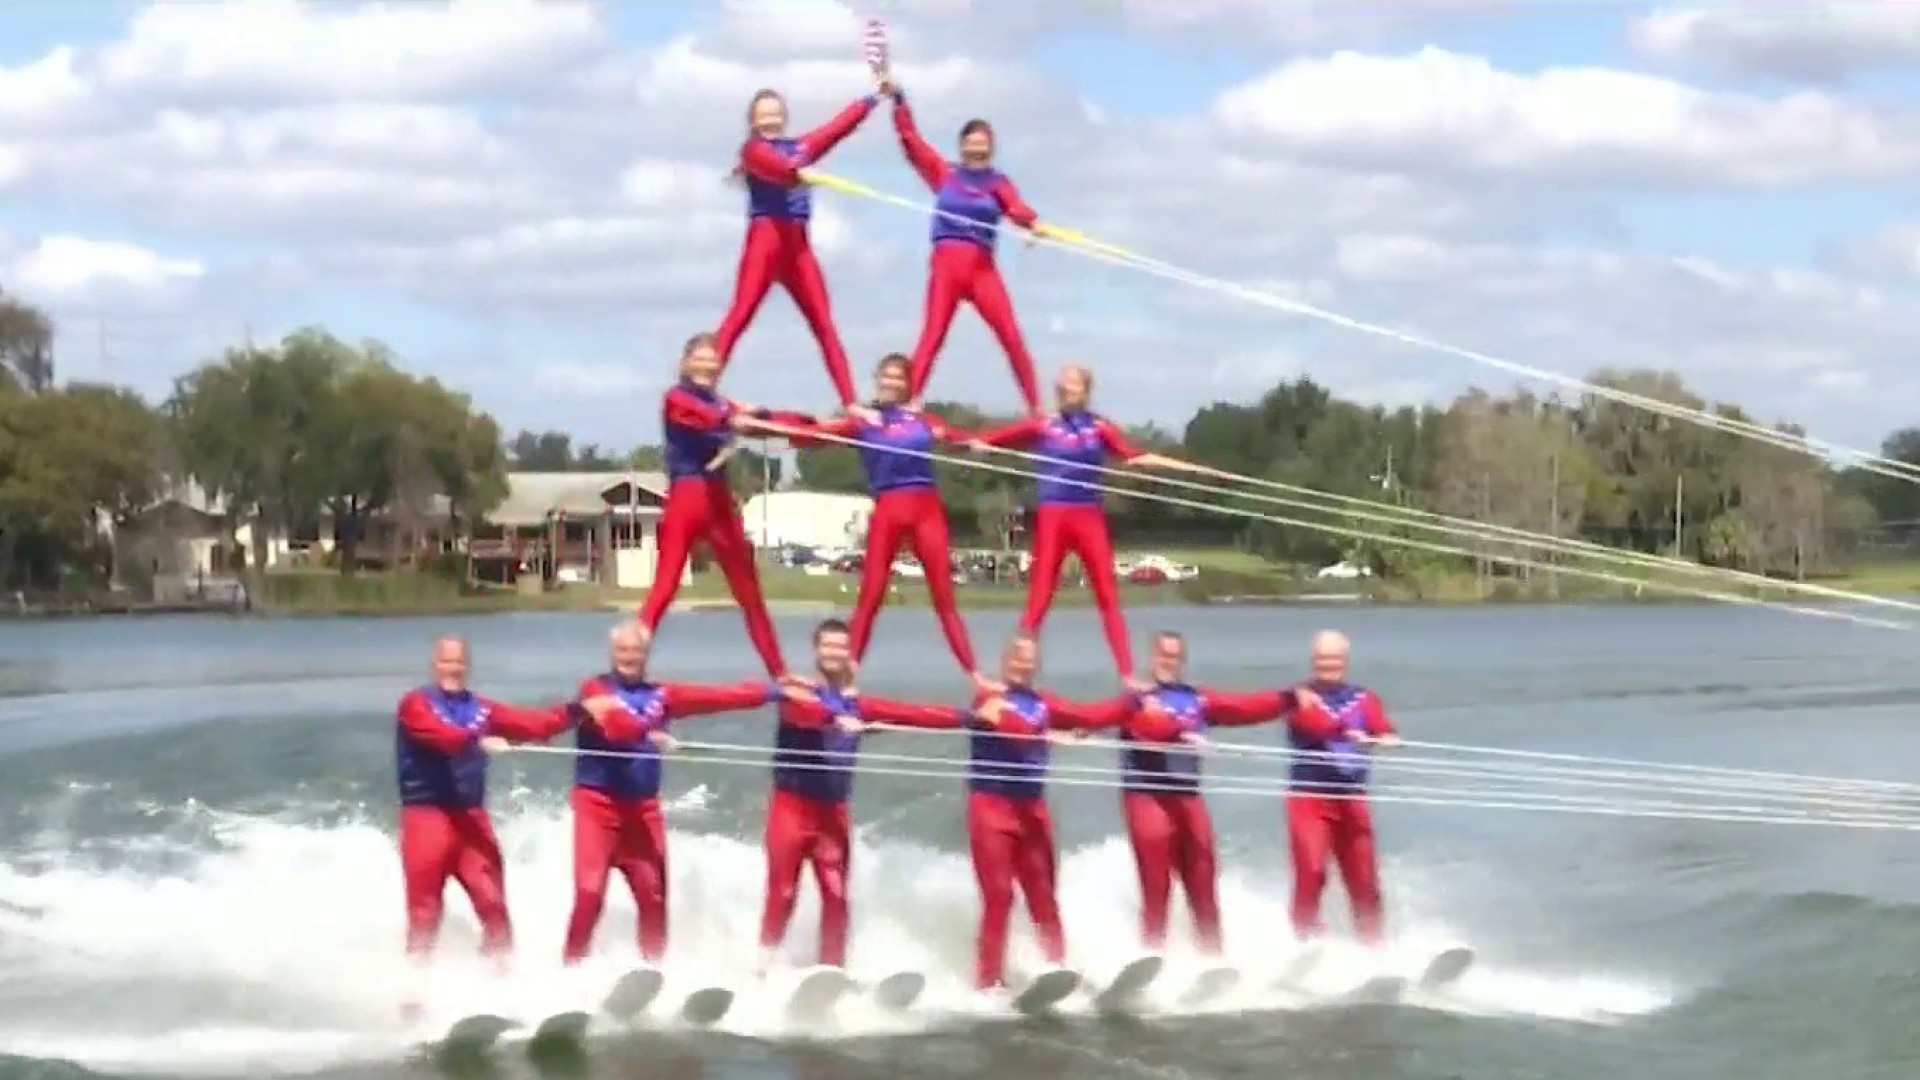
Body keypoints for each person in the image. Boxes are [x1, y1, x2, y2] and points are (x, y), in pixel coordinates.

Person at [558, 619, 788, 966]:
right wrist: (646, 733)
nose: (628, 657)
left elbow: (721, 697)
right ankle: (572, 968)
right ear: (611, 653)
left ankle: (654, 969)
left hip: (642, 811)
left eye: (635, 650)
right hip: (597, 807)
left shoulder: (662, 696)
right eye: (622, 650)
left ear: (646, 654)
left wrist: (776, 691)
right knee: (590, 895)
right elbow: (616, 726)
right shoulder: (595, 691)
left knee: (653, 896)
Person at [758, 618, 978, 972]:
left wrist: (969, 717)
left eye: (841, 648)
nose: (834, 653)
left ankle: (832, 971)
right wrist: (836, 716)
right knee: (783, 893)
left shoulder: (858, 707)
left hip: (833, 813)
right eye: (828, 646)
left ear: (849, 656)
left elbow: (912, 715)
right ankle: (763, 967)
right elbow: (805, 715)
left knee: (837, 896)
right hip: (791, 810)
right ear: (817, 651)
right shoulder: (797, 693)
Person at [393, 635, 623, 965]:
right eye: (446, 661)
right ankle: (414, 995)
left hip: (470, 819)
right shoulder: (415, 704)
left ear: (466, 666)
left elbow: (531, 723)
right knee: (425, 913)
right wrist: (477, 740)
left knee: (494, 907)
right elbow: (440, 737)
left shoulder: (481, 708)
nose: (452, 668)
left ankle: (499, 983)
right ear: (434, 665)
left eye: (458, 662)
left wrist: (580, 711)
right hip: (426, 819)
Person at [971, 365, 1202, 686]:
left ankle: (1126, 675)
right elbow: (992, 441)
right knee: (1038, 599)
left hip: (1088, 517)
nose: (1066, 389)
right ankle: (1014, 676)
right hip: (1053, 516)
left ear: (1086, 390)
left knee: (1108, 595)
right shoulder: (1043, 425)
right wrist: (972, 444)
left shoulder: (1099, 429)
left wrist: (1171, 465)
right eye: (1062, 384)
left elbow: (1130, 456)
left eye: (1073, 384)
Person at [775, 353, 988, 688]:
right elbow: (818, 434)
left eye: (897, 378)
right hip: (888, 509)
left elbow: (953, 437)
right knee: (871, 594)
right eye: (885, 376)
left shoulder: (923, 420)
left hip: (926, 510)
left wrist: (974, 444)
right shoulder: (865, 422)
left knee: (944, 597)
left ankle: (975, 675)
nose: (890, 382)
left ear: (908, 385)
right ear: (877, 379)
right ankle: (848, 676)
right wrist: (778, 427)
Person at [954, 633, 1140, 992]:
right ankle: (988, 981)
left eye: (1029, 659)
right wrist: (1049, 734)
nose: (1023, 664)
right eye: (1017, 657)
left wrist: (1133, 702)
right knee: (1000, 897)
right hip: (991, 810)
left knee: (1043, 894)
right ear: (1005, 661)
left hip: (1032, 810)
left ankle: (1057, 968)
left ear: (1036, 665)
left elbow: (1090, 715)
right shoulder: (988, 699)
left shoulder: (1044, 704)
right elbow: (1015, 730)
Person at [1117, 630, 1309, 955]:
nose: (1169, 661)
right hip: (1147, 798)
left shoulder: (1198, 699)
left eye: (1175, 656)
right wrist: (1182, 734)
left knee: (1203, 882)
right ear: (1153, 658)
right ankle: (1151, 956)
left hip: (1188, 799)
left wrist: (1287, 698)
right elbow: (1145, 727)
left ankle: (1213, 956)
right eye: (1164, 655)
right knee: (1156, 885)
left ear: (1183, 661)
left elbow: (1244, 707)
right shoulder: (1137, 698)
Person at [638, 331, 811, 679]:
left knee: (749, 590)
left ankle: (780, 673)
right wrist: (733, 420)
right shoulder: (677, 398)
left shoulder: (725, 404)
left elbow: (764, 420)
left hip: (718, 499)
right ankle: (627, 664)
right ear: (685, 364)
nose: (707, 365)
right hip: (687, 497)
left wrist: (810, 425)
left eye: (714, 361)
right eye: (700, 359)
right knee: (666, 585)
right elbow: (700, 416)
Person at [885, 84, 1046, 415]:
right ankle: (909, 402)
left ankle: (1036, 407)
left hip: (982, 268)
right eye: (972, 141)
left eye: (983, 142)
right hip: (946, 265)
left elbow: (1015, 208)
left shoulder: (998, 183)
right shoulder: (946, 174)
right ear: (961, 146)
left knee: (1011, 336)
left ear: (991, 147)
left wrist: (1031, 224)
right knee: (932, 336)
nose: (977, 147)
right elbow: (912, 142)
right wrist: (899, 101)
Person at [720, 85, 881, 407]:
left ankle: (851, 403)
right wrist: (797, 172)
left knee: (824, 323)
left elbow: (836, 129)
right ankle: (703, 385)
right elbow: (774, 168)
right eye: (764, 115)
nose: (771, 120)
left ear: (785, 117)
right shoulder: (751, 151)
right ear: (753, 120)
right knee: (740, 315)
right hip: (765, 242)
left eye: (776, 114)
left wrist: (872, 98)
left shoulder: (801, 148)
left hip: (798, 247)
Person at [1286, 630, 1399, 944]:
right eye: (1322, 659)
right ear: (1313, 661)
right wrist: (1346, 731)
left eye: (1334, 658)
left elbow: (1382, 727)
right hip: (1309, 798)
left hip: (1351, 797)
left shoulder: (1364, 698)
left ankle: (1373, 944)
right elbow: (1310, 723)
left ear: (1345, 662)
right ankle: (1304, 939)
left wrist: (1385, 738)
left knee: (1364, 879)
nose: (1328, 664)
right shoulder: (1299, 696)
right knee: (1312, 871)